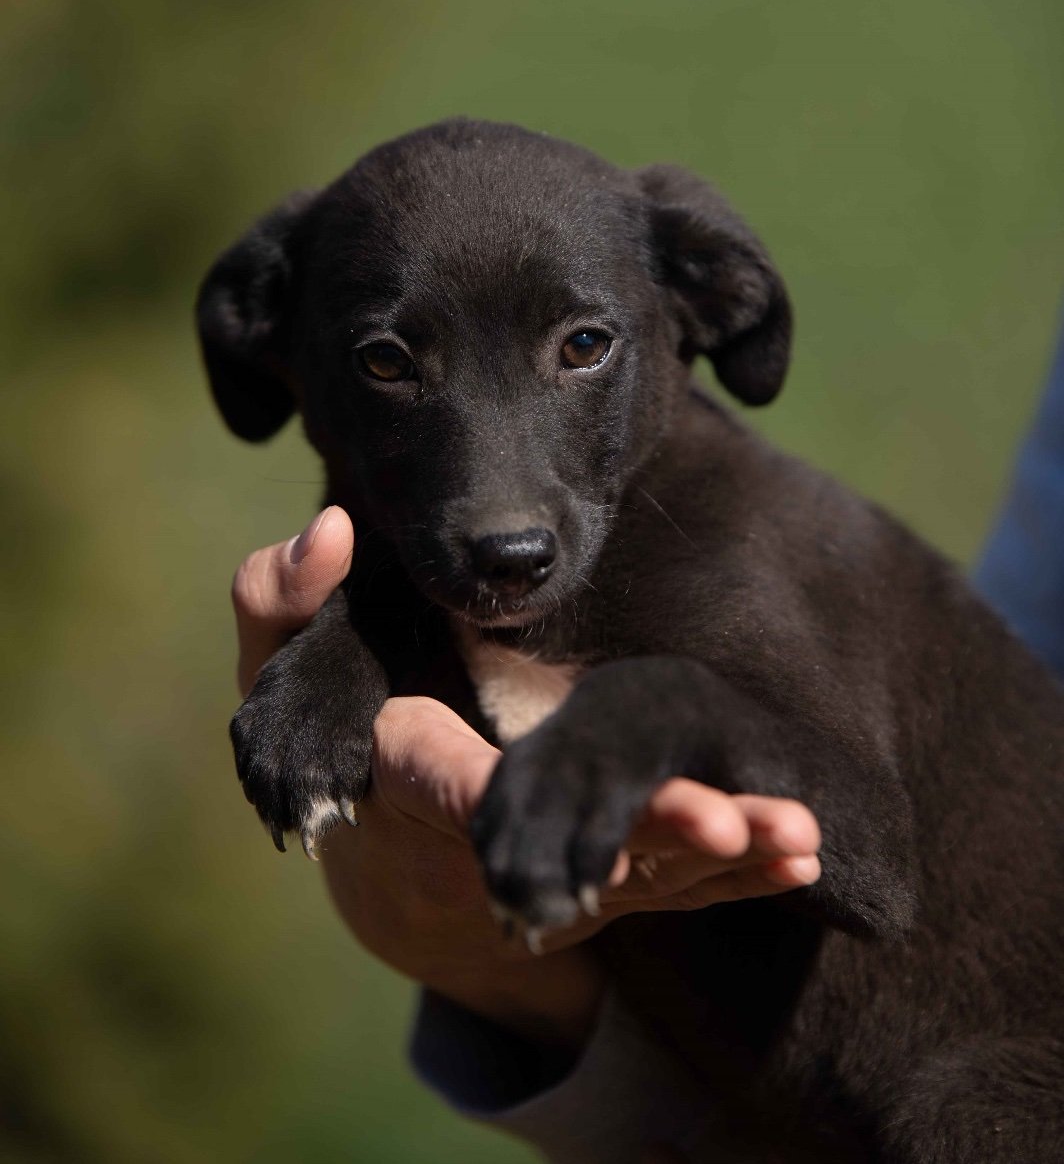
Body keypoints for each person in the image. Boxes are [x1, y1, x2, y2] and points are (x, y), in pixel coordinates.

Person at [227, 317, 1063, 1162]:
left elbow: (872, 870)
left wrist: (658, 711)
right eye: (386, 361)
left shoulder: (722, 531)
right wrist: (348, 644)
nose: (501, 508)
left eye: (582, 349)